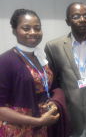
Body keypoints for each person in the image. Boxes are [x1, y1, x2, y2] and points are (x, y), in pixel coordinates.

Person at [45, 2, 86, 137]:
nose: (82, 20)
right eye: (76, 16)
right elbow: (53, 85)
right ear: (67, 21)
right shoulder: (53, 47)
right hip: (70, 123)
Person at [0, 9, 68, 137]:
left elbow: (52, 87)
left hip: (43, 128)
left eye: (37, 28)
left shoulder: (41, 57)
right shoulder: (5, 61)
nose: (33, 32)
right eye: (26, 28)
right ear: (15, 31)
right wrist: (38, 121)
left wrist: (54, 103)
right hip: (17, 130)